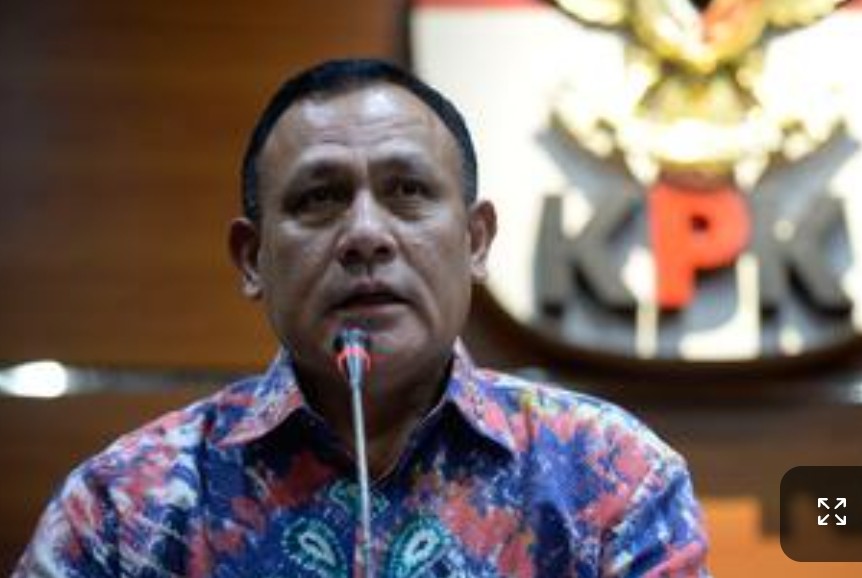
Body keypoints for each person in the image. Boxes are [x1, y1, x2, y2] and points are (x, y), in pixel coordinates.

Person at [13, 58, 710, 577]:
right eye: (319, 199)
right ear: (253, 259)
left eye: (407, 190)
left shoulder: (609, 477)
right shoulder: (126, 505)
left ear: (475, 242)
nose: (366, 235)